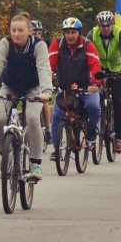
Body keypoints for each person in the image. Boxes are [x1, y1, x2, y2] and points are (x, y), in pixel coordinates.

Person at [0, 13, 53, 182]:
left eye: (21, 30)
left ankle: (35, 164)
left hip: (33, 87)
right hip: (10, 86)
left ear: (29, 31)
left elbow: (44, 68)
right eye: (13, 30)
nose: (17, 34)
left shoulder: (38, 46)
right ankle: (4, 157)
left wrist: (47, 91)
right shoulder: (5, 43)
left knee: (33, 118)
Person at [48, 17, 102, 159]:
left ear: (79, 33)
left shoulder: (87, 45)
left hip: (86, 88)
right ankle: (57, 149)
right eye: (67, 32)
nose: (70, 36)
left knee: (93, 106)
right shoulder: (57, 44)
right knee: (57, 116)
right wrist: (47, 82)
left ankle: (91, 132)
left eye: (73, 32)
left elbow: (95, 66)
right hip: (65, 89)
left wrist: (95, 84)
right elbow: (49, 66)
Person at [89, 10, 121, 153]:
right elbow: (85, 51)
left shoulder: (120, 33)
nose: (105, 28)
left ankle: (119, 136)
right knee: (94, 99)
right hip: (99, 69)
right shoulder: (92, 34)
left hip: (117, 70)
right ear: (98, 26)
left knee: (118, 101)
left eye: (108, 25)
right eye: (102, 26)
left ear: (112, 25)